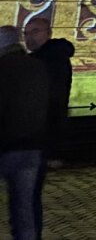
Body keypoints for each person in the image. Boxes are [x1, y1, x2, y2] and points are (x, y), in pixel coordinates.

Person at [24, 17, 73, 236]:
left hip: (37, 139)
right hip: (39, 139)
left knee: (28, 197)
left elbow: (52, 104)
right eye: (26, 33)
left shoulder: (47, 62)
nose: (29, 37)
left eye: (35, 31)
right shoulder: (53, 58)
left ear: (48, 33)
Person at [0, 25, 49, 240]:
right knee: (24, 209)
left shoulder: (3, 67)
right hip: (32, 146)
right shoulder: (38, 66)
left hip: (5, 145)